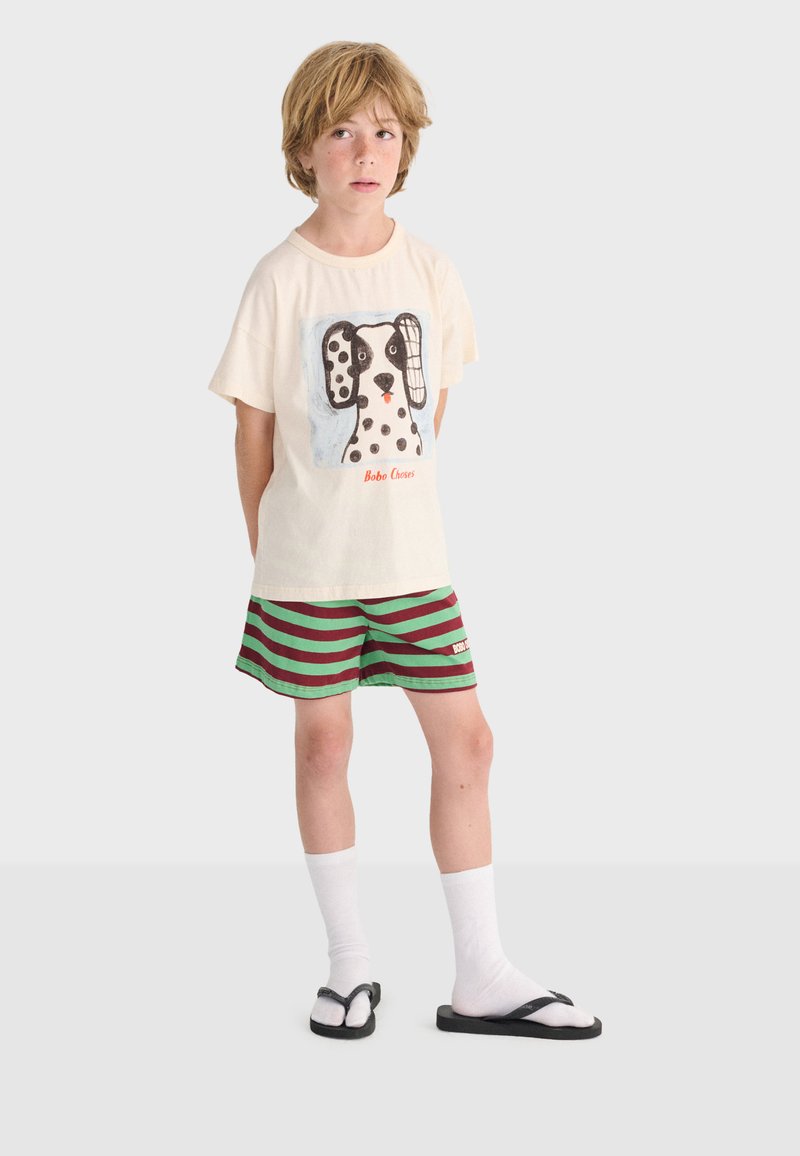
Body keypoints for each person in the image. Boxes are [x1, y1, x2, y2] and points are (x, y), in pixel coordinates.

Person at [208, 40, 601, 1042]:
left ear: (406, 148)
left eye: (383, 131)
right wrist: (270, 548)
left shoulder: (430, 270)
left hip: (412, 561)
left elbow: (433, 413)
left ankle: (481, 971)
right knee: (324, 745)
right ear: (304, 149)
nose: (364, 150)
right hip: (307, 565)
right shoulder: (279, 278)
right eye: (341, 131)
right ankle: (349, 967)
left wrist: (392, 507)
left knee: (468, 740)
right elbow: (252, 431)